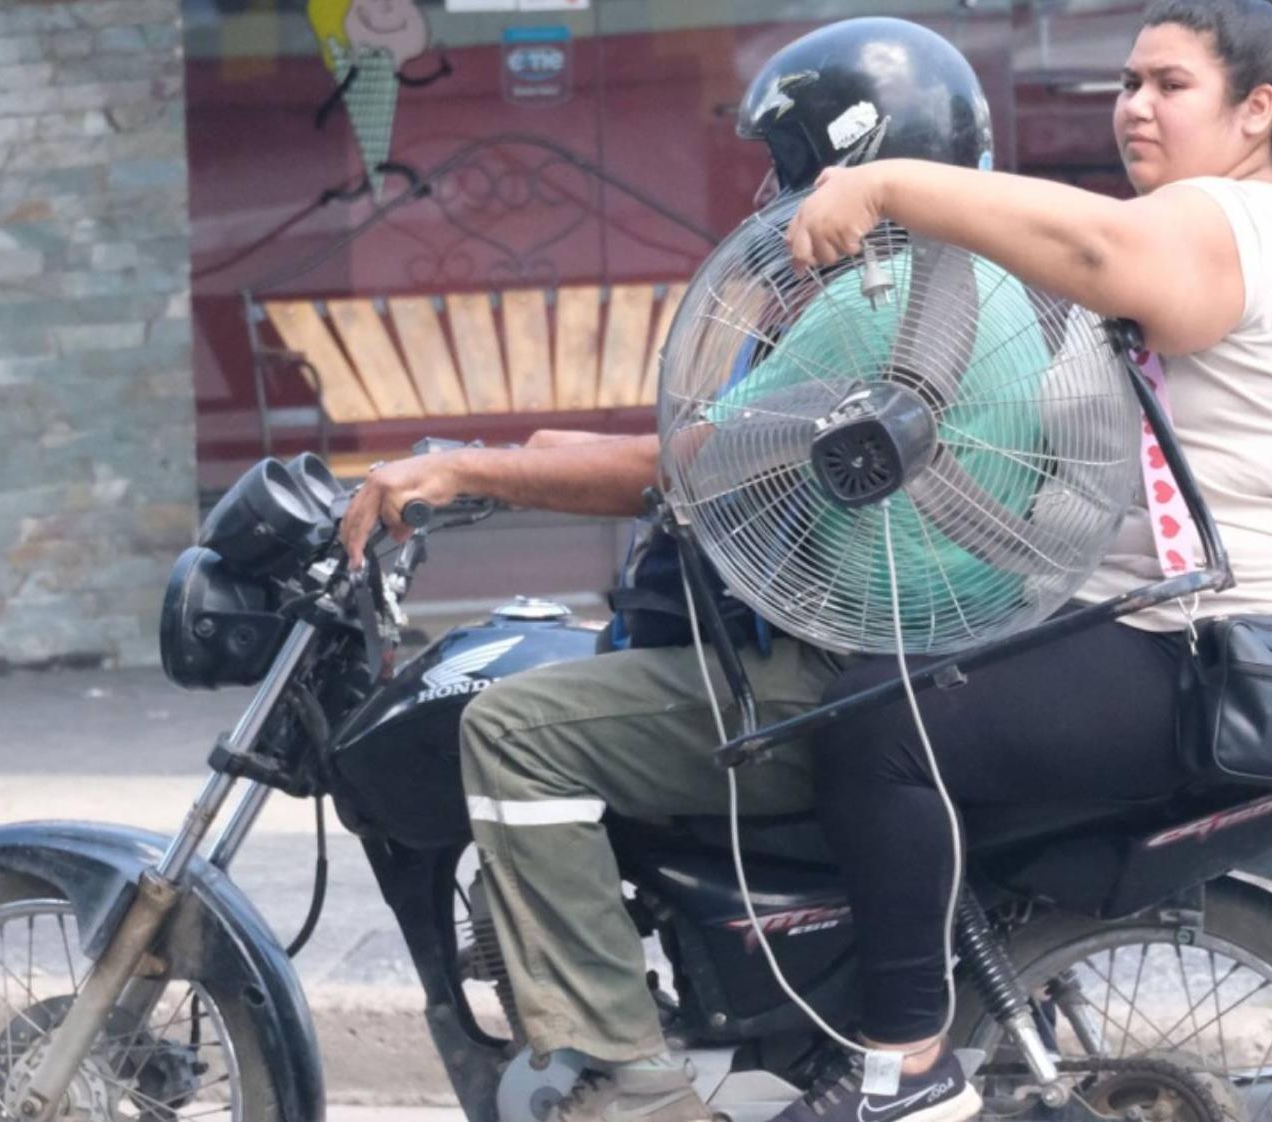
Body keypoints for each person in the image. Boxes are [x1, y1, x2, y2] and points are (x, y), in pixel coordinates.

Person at [335, 18, 1003, 1122]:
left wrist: (458, 469)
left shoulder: (866, 307)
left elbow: (683, 469)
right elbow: (732, 444)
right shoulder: (964, 283)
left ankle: (631, 1079)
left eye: (786, 162)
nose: (771, 190)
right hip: (913, 654)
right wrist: (532, 461)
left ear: (853, 151)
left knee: (508, 727)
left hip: (825, 677)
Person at [769, 1, 1272, 1120]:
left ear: (1255, 112)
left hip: (1210, 655)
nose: (1135, 106)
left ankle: (904, 1069)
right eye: (1126, 82)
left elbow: (1096, 248)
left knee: (876, 723)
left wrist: (887, 186)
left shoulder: (1223, 220)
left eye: (1169, 84)